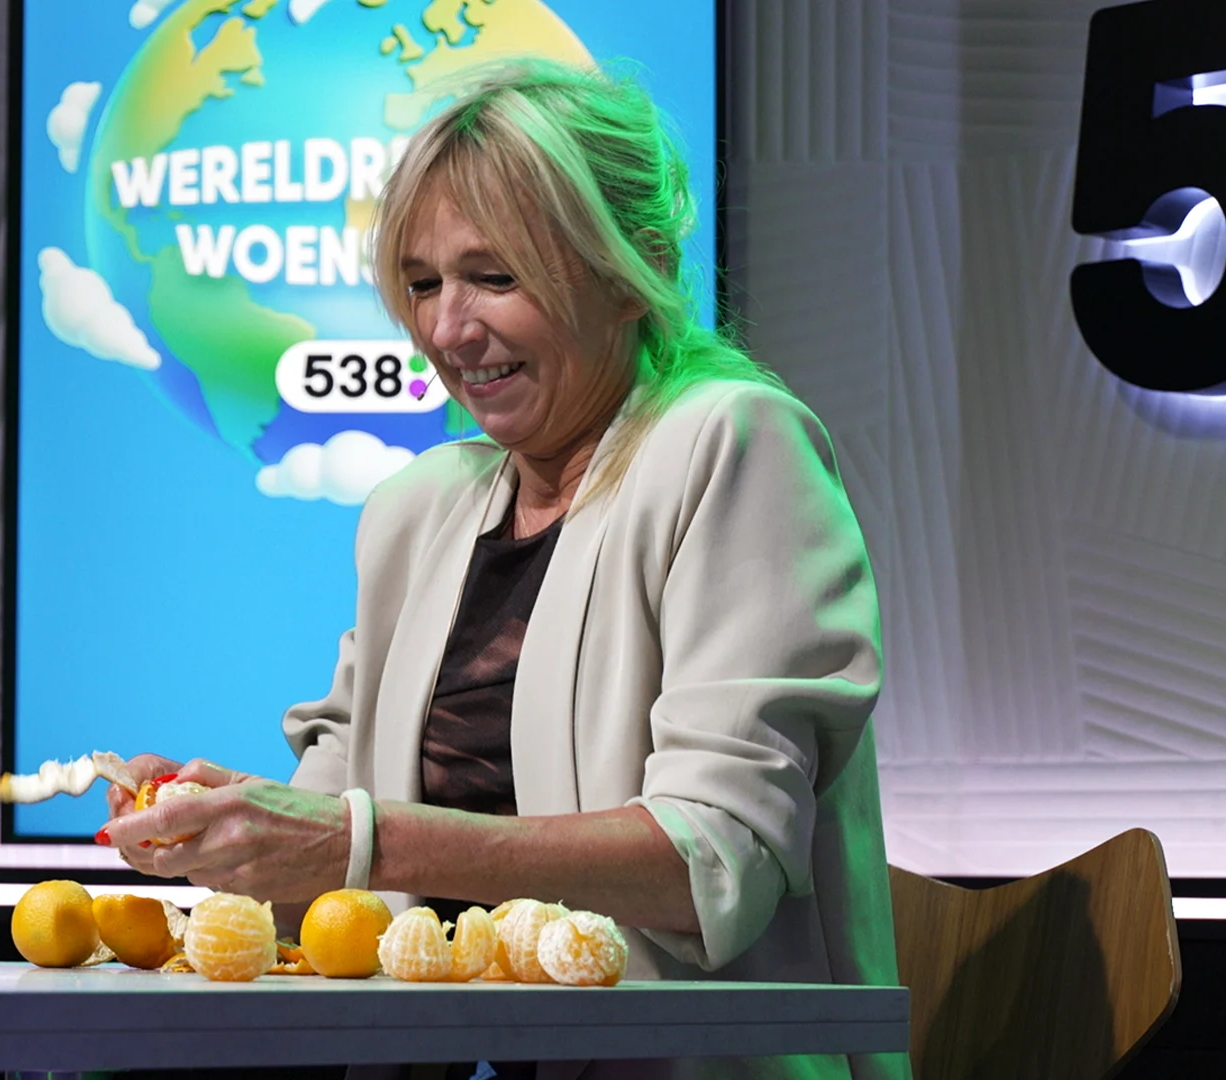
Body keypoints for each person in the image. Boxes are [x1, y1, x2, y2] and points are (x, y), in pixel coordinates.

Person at [100, 58, 904, 1080]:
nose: (447, 329)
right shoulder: (417, 510)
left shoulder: (734, 443)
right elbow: (333, 850)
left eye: (495, 276)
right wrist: (226, 830)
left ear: (631, 270)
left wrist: (355, 839)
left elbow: (716, 860)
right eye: (423, 284)